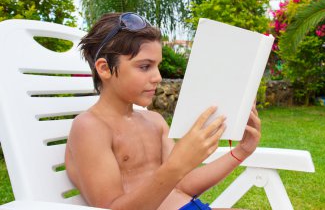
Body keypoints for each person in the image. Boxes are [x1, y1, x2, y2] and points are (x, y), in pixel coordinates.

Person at [65, 12, 261, 210]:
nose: (158, 77)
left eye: (157, 66)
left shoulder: (154, 121)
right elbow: (111, 207)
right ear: (105, 69)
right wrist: (177, 164)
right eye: (144, 67)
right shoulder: (90, 128)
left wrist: (241, 151)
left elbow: (181, 185)